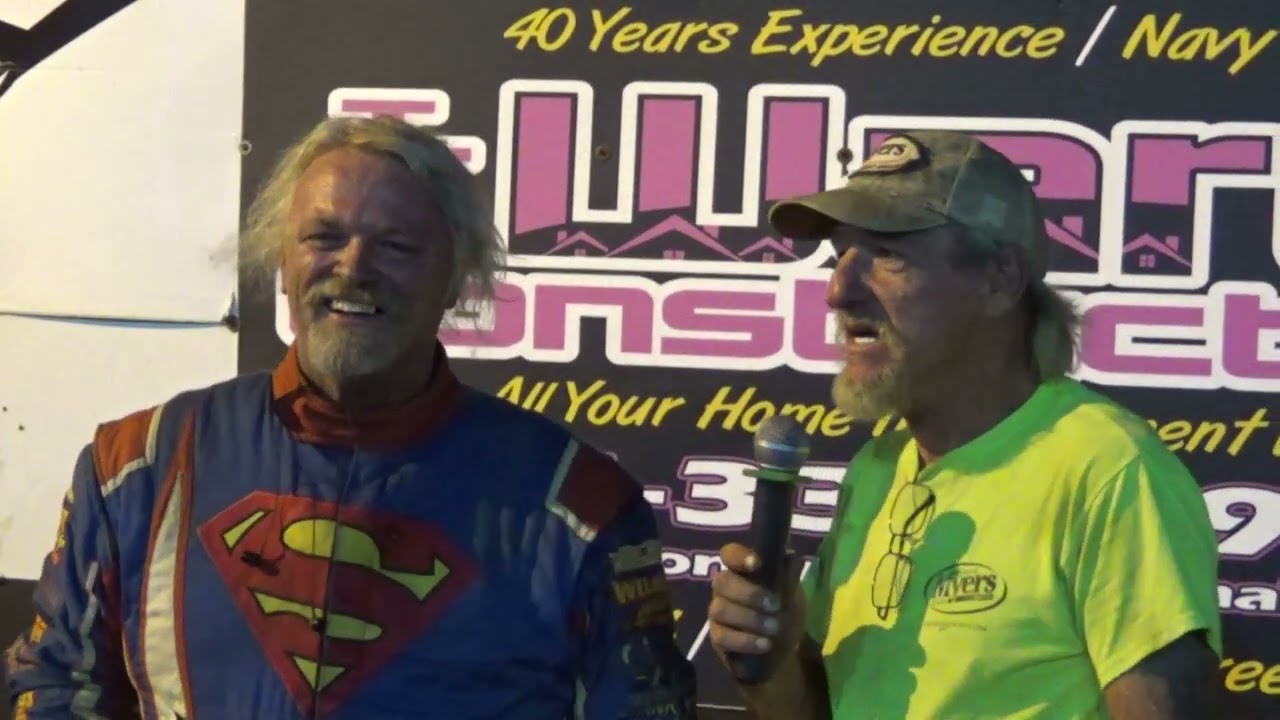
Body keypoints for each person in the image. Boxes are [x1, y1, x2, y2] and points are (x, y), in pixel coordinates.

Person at [5, 115, 698, 719]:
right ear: (281, 260)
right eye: (323, 236)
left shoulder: (579, 504)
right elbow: (59, 686)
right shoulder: (139, 466)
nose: (354, 267)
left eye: (396, 247)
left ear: (457, 277)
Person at [706, 130, 1221, 719]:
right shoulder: (876, 468)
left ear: (999, 278)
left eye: (888, 253)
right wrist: (770, 667)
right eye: (840, 254)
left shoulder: (1110, 470)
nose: (837, 289)